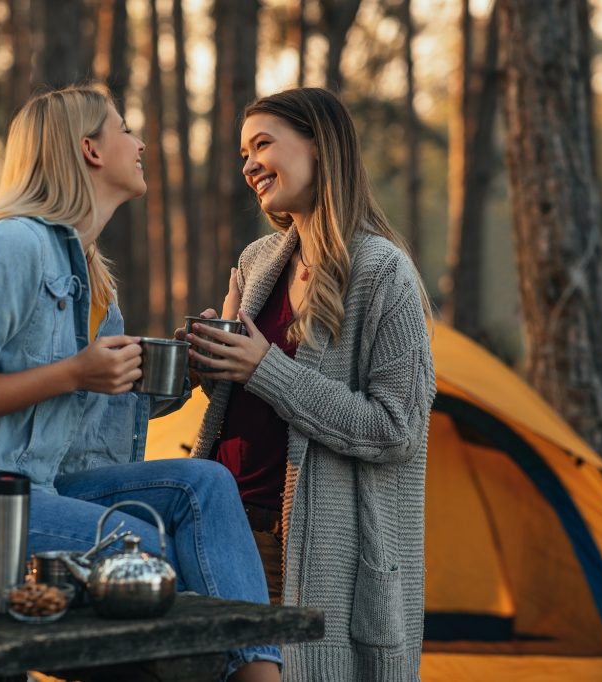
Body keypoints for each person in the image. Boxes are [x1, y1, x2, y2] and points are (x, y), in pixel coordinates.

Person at [0, 85, 280, 682]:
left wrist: (186, 366)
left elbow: (90, 412)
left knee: (203, 483)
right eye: (125, 129)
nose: (141, 142)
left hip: (47, 485)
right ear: (90, 150)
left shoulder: (89, 274)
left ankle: (260, 676)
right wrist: (74, 371)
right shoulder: (3, 247)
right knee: (137, 549)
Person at [183, 87, 435, 681]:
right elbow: (248, 393)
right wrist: (212, 363)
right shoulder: (257, 260)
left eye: (262, 145)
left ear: (320, 147)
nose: (247, 165)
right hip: (221, 529)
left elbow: (395, 427)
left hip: (303, 550)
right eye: (243, 153)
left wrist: (262, 367)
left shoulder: (380, 273)